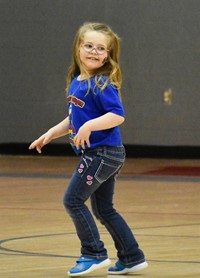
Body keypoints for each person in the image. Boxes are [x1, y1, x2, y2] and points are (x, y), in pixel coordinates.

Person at [29, 22, 148, 277]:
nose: (94, 51)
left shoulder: (103, 82)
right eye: (89, 46)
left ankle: (93, 253)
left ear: (108, 55)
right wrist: (50, 133)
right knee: (104, 209)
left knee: (72, 200)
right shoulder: (77, 81)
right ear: (78, 48)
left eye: (101, 48)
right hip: (103, 155)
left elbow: (117, 116)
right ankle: (132, 257)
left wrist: (90, 127)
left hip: (102, 154)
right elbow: (74, 119)